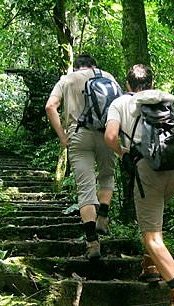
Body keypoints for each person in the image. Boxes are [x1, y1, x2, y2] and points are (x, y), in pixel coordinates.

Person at [104, 64, 174, 306]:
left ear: (128, 84)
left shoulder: (120, 103)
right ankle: (151, 266)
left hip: (149, 169)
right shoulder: (162, 101)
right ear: (151, 82)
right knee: (154, 220)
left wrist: (122, 152)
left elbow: (111, 136)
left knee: (151, 236)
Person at [45, 54, 117, 260]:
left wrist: (62, 136)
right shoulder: (109, 77)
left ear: (76, 67)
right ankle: (103, 214)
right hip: (106, 134)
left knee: (86, 188)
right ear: (94, 65)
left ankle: (92, 242)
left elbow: (50, 106)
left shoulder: (67, 79)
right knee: (107, 176)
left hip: (78, 134)